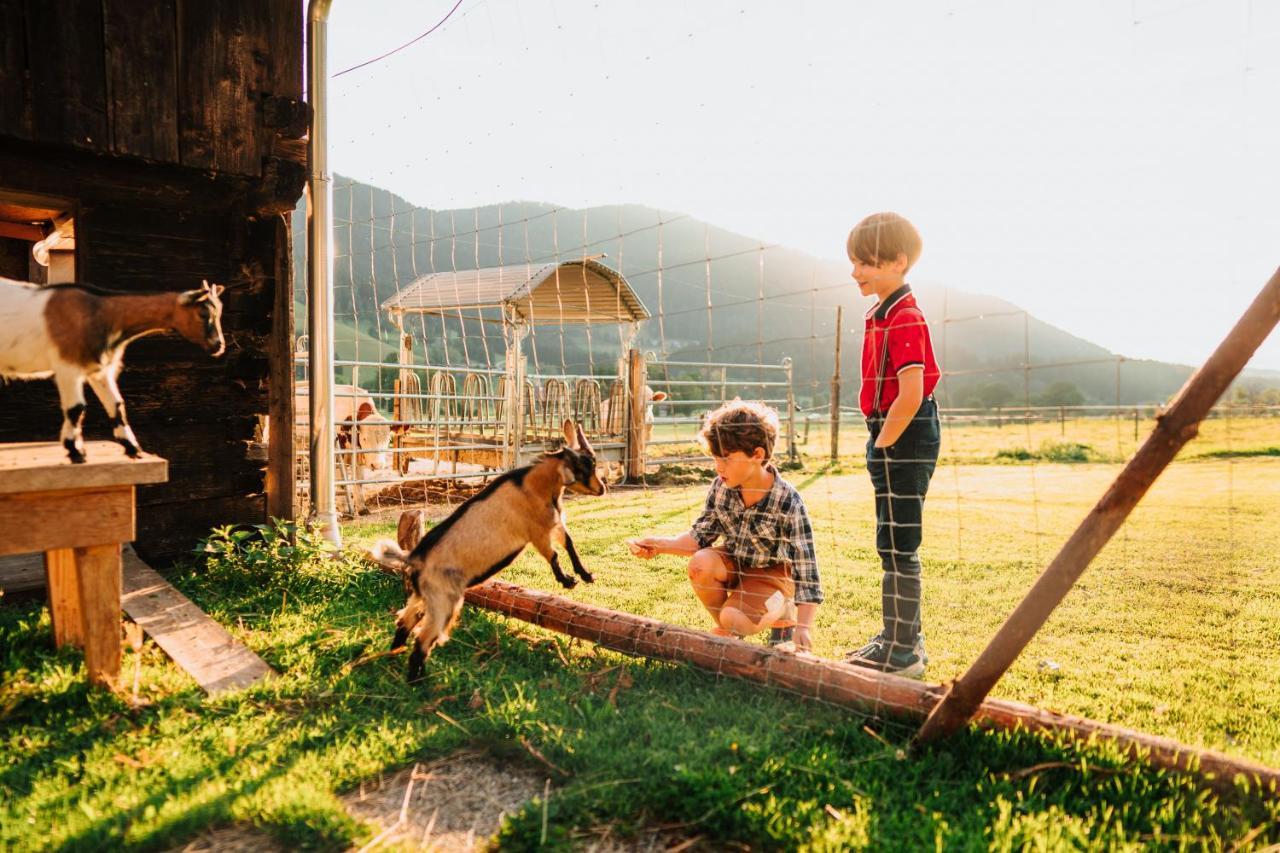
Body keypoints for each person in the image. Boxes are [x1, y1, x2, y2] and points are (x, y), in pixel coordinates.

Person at [628, 400, 822, 650]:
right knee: (701, 564)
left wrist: (804, 628)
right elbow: (700, 538)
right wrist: (659, 545)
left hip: (772, 573)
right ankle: (732, 631)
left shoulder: (789, 502)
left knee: (733, 618)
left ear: (757, 455)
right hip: (735, 562)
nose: (718, 467)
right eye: (715, 457)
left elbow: (807, 570)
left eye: (726, 458)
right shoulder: (722, 486)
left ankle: (782, 613)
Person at [844, 212, 941, 677]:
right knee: (891, 540)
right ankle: (901, 637)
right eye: (855, 263)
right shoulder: (880, 313)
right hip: (890, 429)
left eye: (866, 263)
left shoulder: (905, 316)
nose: (856, 272)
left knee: (899, 542)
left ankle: (903, 654)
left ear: (898, 262)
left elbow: (912, 392)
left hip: (903, 430)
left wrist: (882, 445)